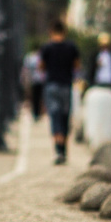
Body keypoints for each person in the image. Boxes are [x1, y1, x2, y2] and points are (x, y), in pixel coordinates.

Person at [37, 19, 81, 164]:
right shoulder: (71, 47)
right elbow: (77, 65)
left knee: (54, 116)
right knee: (64, 116)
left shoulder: (47, 47)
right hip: (66, 85)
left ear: (51, 31)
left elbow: (41, 67)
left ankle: (58, 150)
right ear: (64, 31)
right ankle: (63, 149)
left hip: (51, 85)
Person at [22, 50, 45, 121]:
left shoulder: (29, 58)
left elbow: (26, 69)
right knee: (40, 97)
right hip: (40, 79)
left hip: (33, 80)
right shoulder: (40, 57)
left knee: (34, 97)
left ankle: (36, 113)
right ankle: (38, 112)